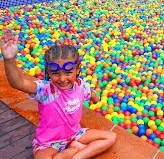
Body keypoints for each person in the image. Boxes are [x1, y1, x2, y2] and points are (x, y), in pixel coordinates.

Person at [0, 29, 116, 158]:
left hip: (75, 135)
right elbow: (19, 83)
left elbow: (92, 94)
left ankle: (76, 155)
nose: (62, 79)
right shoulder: (45, 90)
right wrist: (9, 60)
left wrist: (96, 99)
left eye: (68, 73)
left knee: (110, 137)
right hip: (49, 143)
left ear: (77, 70)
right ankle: (75, 151)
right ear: (48, 72)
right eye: (55, 73)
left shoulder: (81, 86)